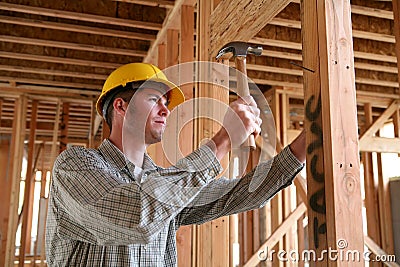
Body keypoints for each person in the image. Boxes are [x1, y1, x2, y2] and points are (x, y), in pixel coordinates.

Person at [45, 62, 306, 266]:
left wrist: (306, 143)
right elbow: (137, 216)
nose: (165, 110)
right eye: (153, 99)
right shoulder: (74, 166)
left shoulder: (163, 183)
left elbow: (238, 194)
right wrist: (223, 139)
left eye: (166, 103)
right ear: (121, 106)